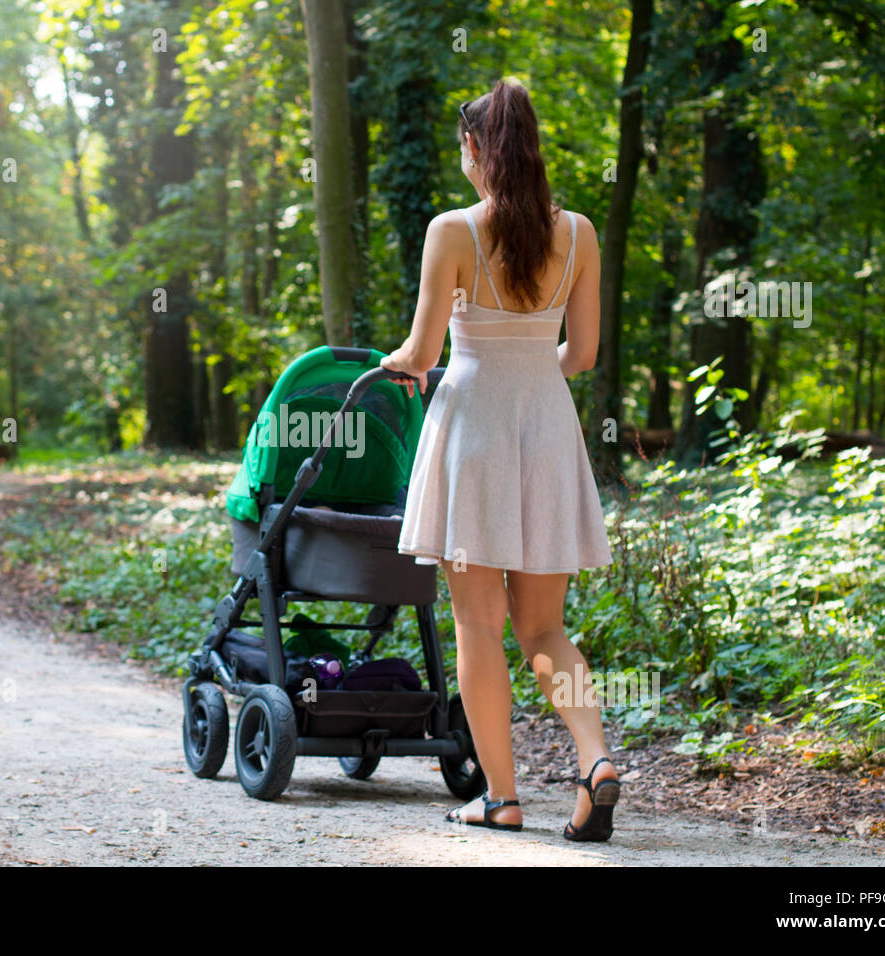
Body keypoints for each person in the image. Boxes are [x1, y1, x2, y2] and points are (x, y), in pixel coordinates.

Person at [380, 78, 621, 841]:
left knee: (478, 627)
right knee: (544, 629)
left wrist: (400, 360)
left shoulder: (452, 230)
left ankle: (503, 798)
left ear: (478, 150)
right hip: (547, 426)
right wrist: (527, 361)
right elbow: (580, 355)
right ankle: (595, 762)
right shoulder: (579, 233)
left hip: (474, 428)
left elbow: (423, 352)